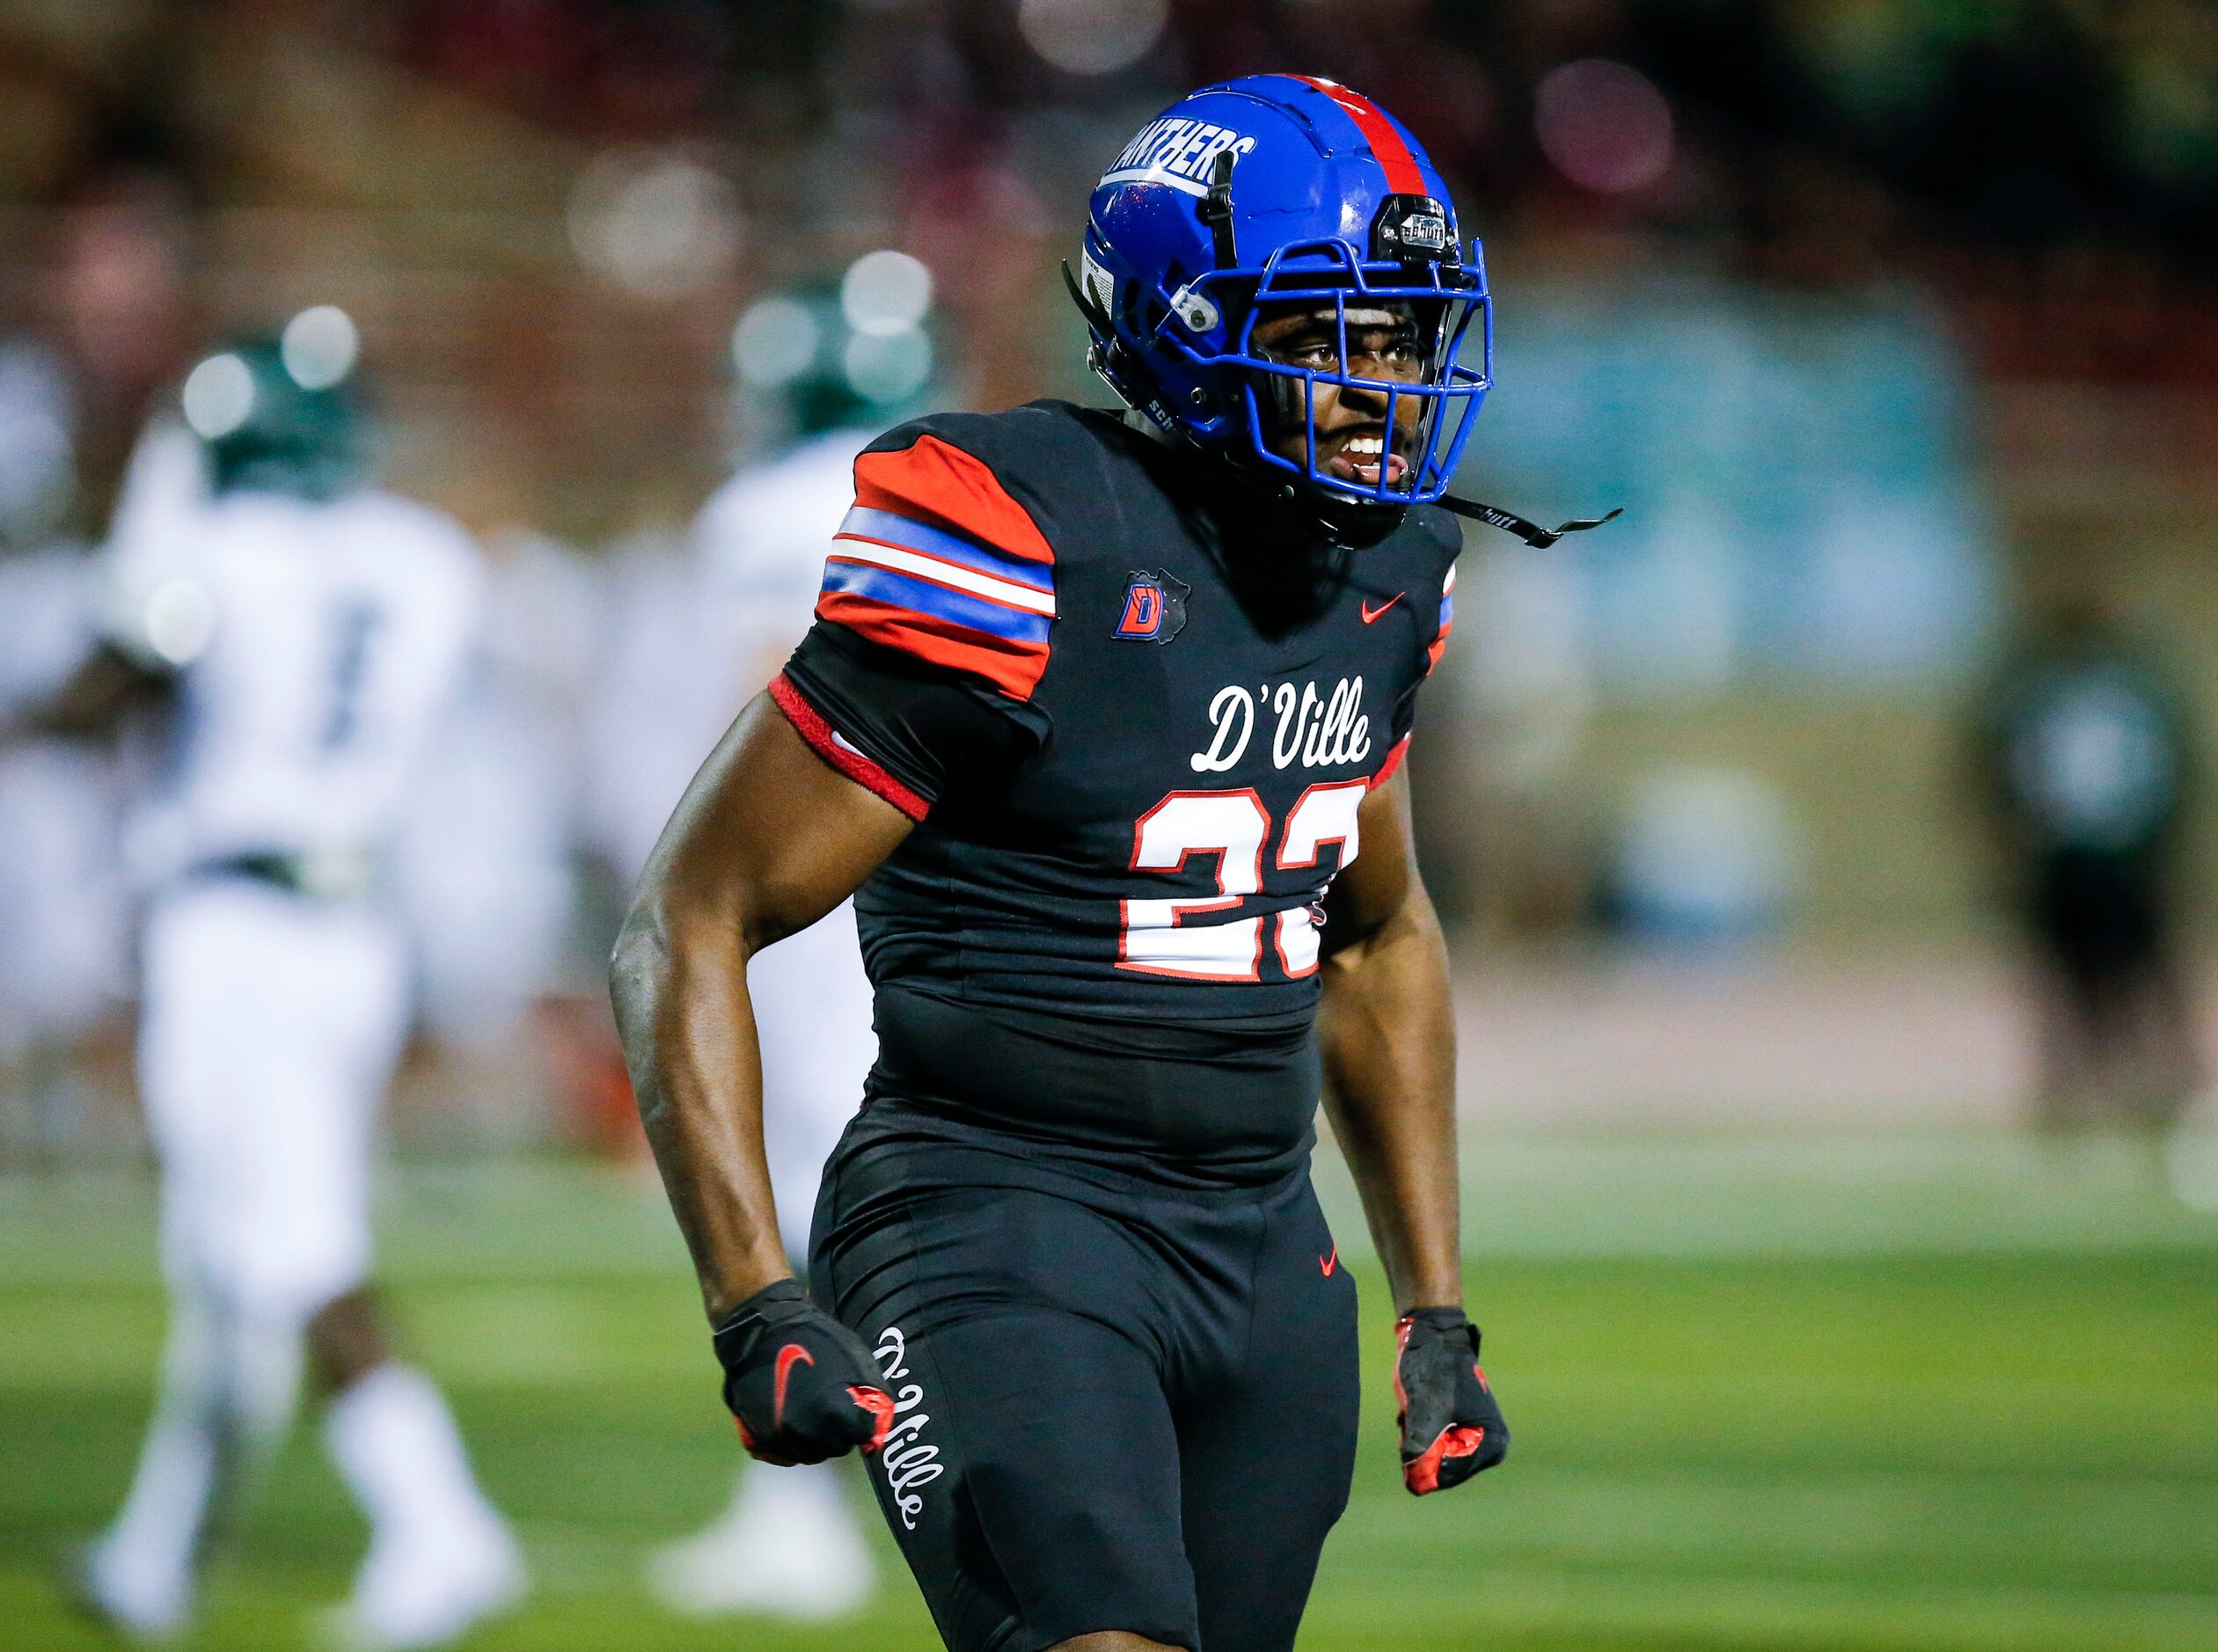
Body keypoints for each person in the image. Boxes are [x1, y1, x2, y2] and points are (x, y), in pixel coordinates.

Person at [613, 77, 1520, 1652]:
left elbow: (1374, 935)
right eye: (1326, 332)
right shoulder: (1023, 540)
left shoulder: (1383, 573)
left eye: (1400, 334)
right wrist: (755, 1299)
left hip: (1260, 1247)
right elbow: (690, 912)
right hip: (996, 1214)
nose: (1380, 384)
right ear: (1181, 323)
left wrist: (1434, 1308)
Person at [48, 315, 523, 1648]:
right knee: (225, 1254)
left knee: (290, 1245)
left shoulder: (211, 547)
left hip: (237, 924)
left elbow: (110, 684)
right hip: (352, 924)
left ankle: (439, 1524)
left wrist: (154, 502)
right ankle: (157, 1556)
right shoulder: (420, 556)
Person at [641, 257, 942, 1619]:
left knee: (814, 1187)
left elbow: (776, 702)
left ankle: (807, 1500)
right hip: (953, 879)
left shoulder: (766, 507)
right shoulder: (955, 485)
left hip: (825, 882)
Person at [1971, 590, 2203, 1131]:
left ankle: (2164, 1089)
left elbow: (2172, 778)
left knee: (2142, 980)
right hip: (2069, 861)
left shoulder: (2126, 698)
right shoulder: (2041, 699)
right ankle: (2080, 1095)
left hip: (2120, 861)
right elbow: (1999, 777)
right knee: (2071, 985)